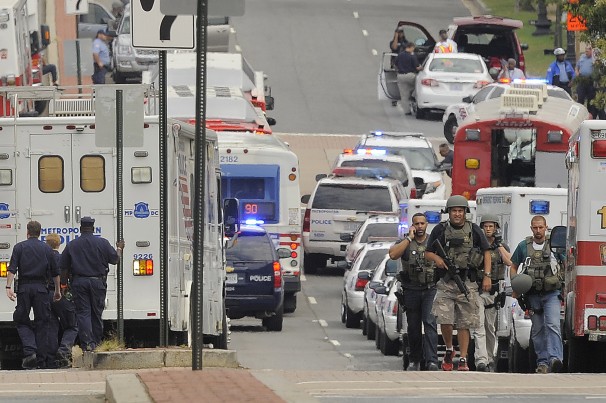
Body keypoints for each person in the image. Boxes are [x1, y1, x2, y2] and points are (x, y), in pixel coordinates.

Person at [425, 195, 491, 371]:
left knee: (465, 323)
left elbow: (487, 252)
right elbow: (428, 252)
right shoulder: (440, 230)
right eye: (454, 211)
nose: (457, 214)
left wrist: (487, 276)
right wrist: (438, 259)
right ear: (449, 212)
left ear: (465, 212)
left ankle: (463, 358)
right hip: (446, 282)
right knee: (444, 319)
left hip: (467, 282)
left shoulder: (474, 230)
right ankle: (449, 348)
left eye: (460, 211)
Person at [60, 217, 124, 351]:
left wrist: (63, 285)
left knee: (83, 313)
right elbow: (115, 259)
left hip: (79, 282)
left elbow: (64, 267)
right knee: (96, 313)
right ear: (93, 228)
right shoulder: (103, 243)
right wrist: (119, 248)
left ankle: (88, 344)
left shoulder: (72, 245)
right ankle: (96, 343)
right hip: (97, 282)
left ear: (80, 229)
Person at [510, 216, 563, 374]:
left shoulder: (554, 245)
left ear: (546, 227)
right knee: (538, 329)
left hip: (552, 293)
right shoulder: (523, 246)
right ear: (531, 228)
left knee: (553, 325)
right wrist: (516, 284)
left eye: (541, 227)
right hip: (532, 294)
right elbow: (513, 266)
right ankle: (542, 362)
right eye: (535, 227)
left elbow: (566, 263)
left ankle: (555, 359)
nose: (538, 230)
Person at [6, 221, 61, 369]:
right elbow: (55, 273)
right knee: (42, 322)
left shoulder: (19, 247)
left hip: (24, 288)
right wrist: (57, 290)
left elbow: (12, 269)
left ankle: (30, 351)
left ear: (27, 232)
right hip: (41, 289)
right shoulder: (47, 249)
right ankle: (41, 360)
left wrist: (8, 287)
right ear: (40, 232)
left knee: (21, 319)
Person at [389, 213, 439, 371]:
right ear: (412, 225)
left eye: (422, 223)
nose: (419, 226)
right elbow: (393, 255)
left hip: (430, 289)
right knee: (413, 327)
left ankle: (432, 361)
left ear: (426, 224)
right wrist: (409, 239)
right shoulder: (405, 242)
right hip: (411, 289)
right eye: (416, 224)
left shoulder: (433, 241)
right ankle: (415, 359)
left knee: (430, 323)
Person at [472, 214, 512, 372]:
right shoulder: (475, 245)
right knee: (478, 326)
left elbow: (509, 262)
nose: (488, 229)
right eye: (485, 226)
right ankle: (481, 360)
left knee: (490, 327)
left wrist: (498, 245)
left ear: (496, 228)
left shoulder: (501, 246)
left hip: (493, 292)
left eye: (491, 226)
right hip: (477, 289)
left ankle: (489, 358)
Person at [45, 233, 78, 369]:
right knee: (72, 325)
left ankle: (51, 358)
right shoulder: (62, 259)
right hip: (60, 294)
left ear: (46, 244)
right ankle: (64, 351)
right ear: (59, 244)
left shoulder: (43, 259)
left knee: (52, 327)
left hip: (46, 295)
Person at [395, 42, 421, 115]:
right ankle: (413, 95)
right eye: (413, 48)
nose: (414, 50)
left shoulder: (400, 55)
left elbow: (395, 64)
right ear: (411, 47)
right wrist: (422, 68)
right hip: (410, 76)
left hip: (400, 76)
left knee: (404, 95)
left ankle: (407, 112)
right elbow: (417, 67)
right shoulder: (412, 56)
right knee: (420, 86)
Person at [575, 45, 598, 117]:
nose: (586, 53)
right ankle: (580, 115)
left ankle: (590, 115)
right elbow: (577, 66)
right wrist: (577, 72)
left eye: (587, 51)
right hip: (582, 80)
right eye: (585, 51)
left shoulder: (594, 59)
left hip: (590, 80)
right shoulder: (582, 57)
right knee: (580, 98)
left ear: (591, 51)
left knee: (590, 99)